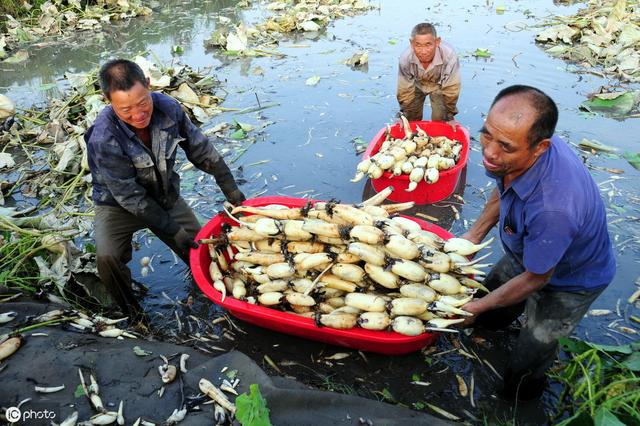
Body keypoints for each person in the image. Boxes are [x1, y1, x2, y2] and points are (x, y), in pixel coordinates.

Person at [460, 85, 615, 400]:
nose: (489, 152)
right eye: (486, 134)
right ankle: (484, 331)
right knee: (489, 312)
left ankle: (517, 401)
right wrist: (473, 236)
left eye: (504, 146)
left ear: (540, 147)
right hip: (528, 246)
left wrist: (473, 307)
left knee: (531, 352)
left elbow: (538, 277)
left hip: (571, 280)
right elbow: (505, 188)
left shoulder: (554, 207)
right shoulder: (512, 151)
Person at [85, 59, 245, 322]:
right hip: (118, 205)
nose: (138, 115)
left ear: (148, 85)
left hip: (164, 194)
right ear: (107, 100)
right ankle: (132, 314)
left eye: (142, 103)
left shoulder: (169, 109)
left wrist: (231, 190)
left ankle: (217, 297)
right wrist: (173, 230)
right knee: (107, 258)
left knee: (203, 250)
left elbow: (200, 150)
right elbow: (131, 198)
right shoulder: (103, 137)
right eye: (126, 109)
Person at [397, 23, 461, 125]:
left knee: (441, 120)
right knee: (411, 120)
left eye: (428, 45)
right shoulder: (406, 58)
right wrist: (405, 113)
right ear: (411, 43)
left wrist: (449, 115)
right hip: (416, 84)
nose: (423, 51)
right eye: (418, 45)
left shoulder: (449, 56)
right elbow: (404, 89)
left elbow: (451, 88)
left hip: (439, 85)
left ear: (437, 42)